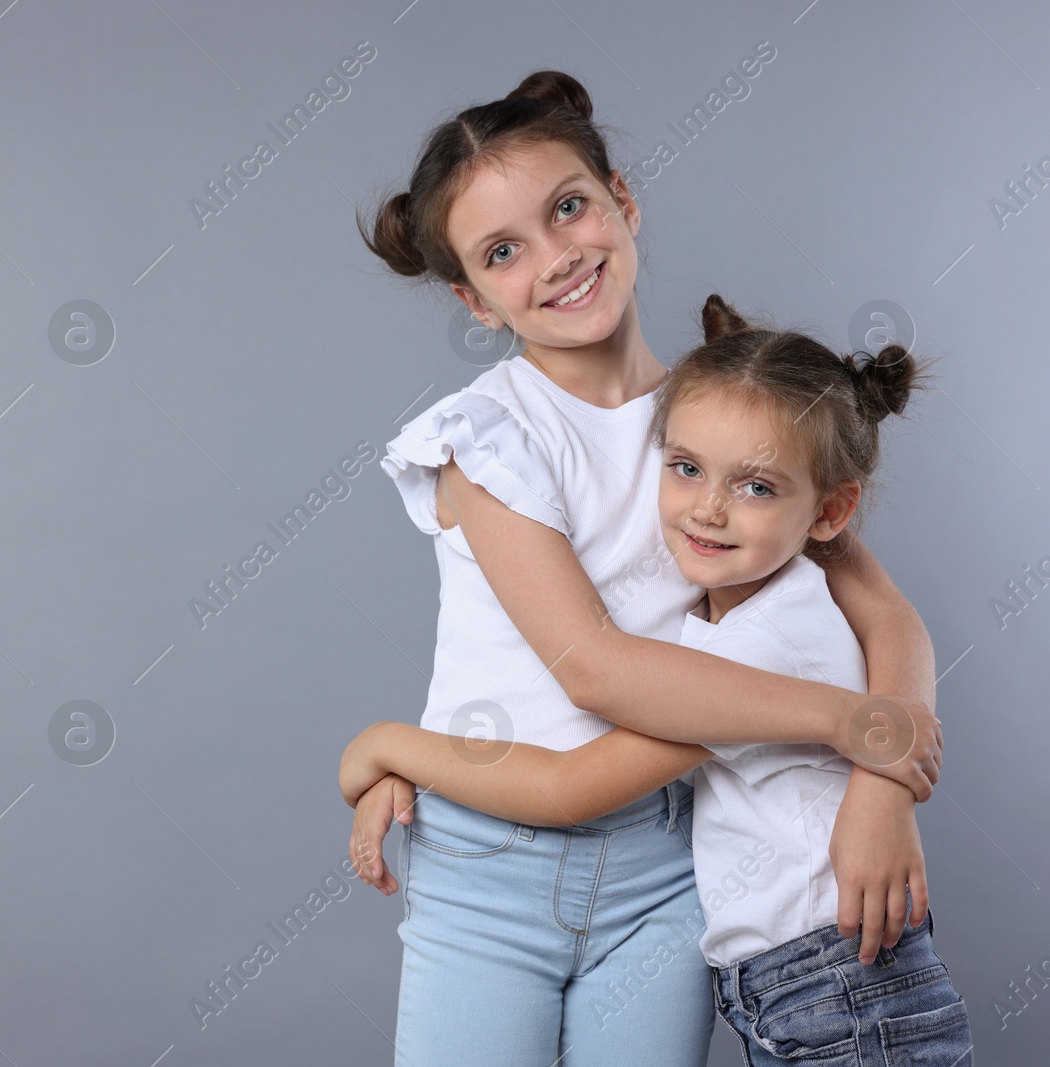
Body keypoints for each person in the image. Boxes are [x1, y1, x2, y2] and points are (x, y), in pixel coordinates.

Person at [350, 69, 944, 1066]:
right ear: (473, 297)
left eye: (568, 208)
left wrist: (883, 783)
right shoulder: (487, 438)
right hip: (491, 863)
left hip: (668, 866)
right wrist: (848, 720)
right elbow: (592, 667)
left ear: (622, 200)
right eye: (504, 251)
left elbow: (889, 619)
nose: (555, 257)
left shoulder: (725, 419)